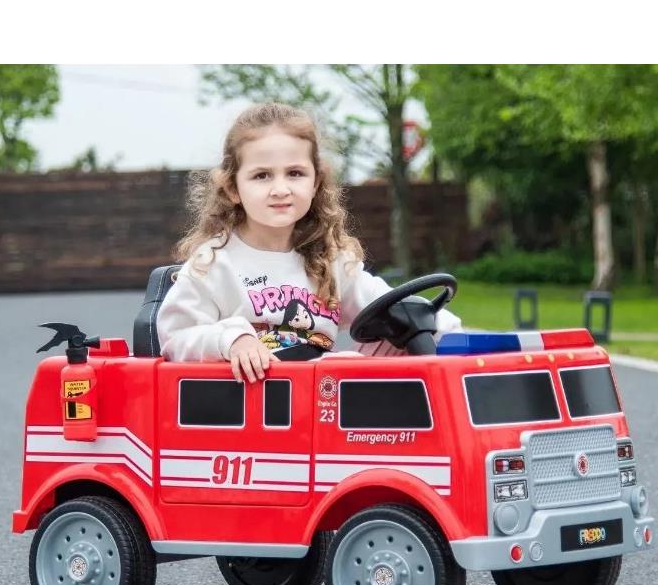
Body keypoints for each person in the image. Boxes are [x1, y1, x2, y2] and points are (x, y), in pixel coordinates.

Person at [157, 102, 462, 382]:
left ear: (315, 182)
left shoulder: (328, 258)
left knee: (400, 340)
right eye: (262, 176)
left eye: (295, 173)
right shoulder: (212, 263)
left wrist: (451, 334)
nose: (280, 189)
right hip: (250, 398)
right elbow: (175, 336)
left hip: (320, 396)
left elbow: (391, 305)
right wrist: (232, 340)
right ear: (232, 188)